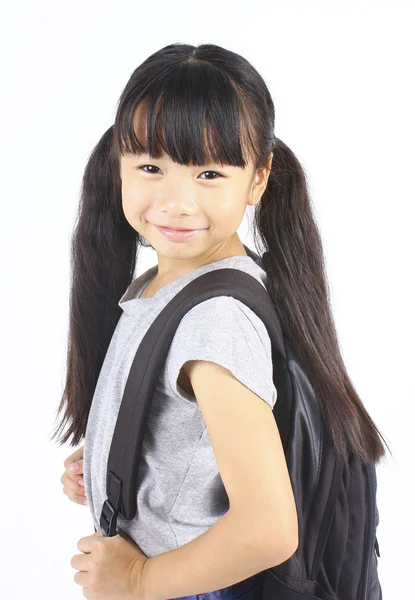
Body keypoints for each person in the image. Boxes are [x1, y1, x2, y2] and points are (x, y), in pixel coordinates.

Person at [55, 42, 388, 600]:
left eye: (209, 172)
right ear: (118, 166)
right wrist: (120, 457)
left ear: (258, 180)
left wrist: (137, 581)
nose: (176, 201)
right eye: (151, 167)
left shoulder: (214, 321)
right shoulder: (167, 285)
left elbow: (268, 530)